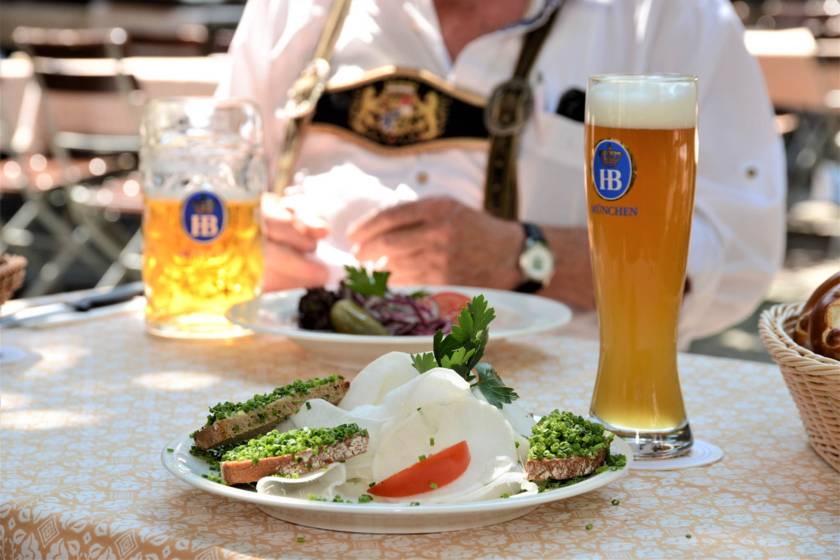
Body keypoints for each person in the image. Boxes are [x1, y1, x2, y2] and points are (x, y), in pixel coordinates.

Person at [217, 0, 785, 341]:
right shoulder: (293, 9)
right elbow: (215, 188)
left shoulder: (670, 17)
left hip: (552, 411)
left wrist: (528, 259)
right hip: (300, 380)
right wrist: (243, 236)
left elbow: (737, 258)